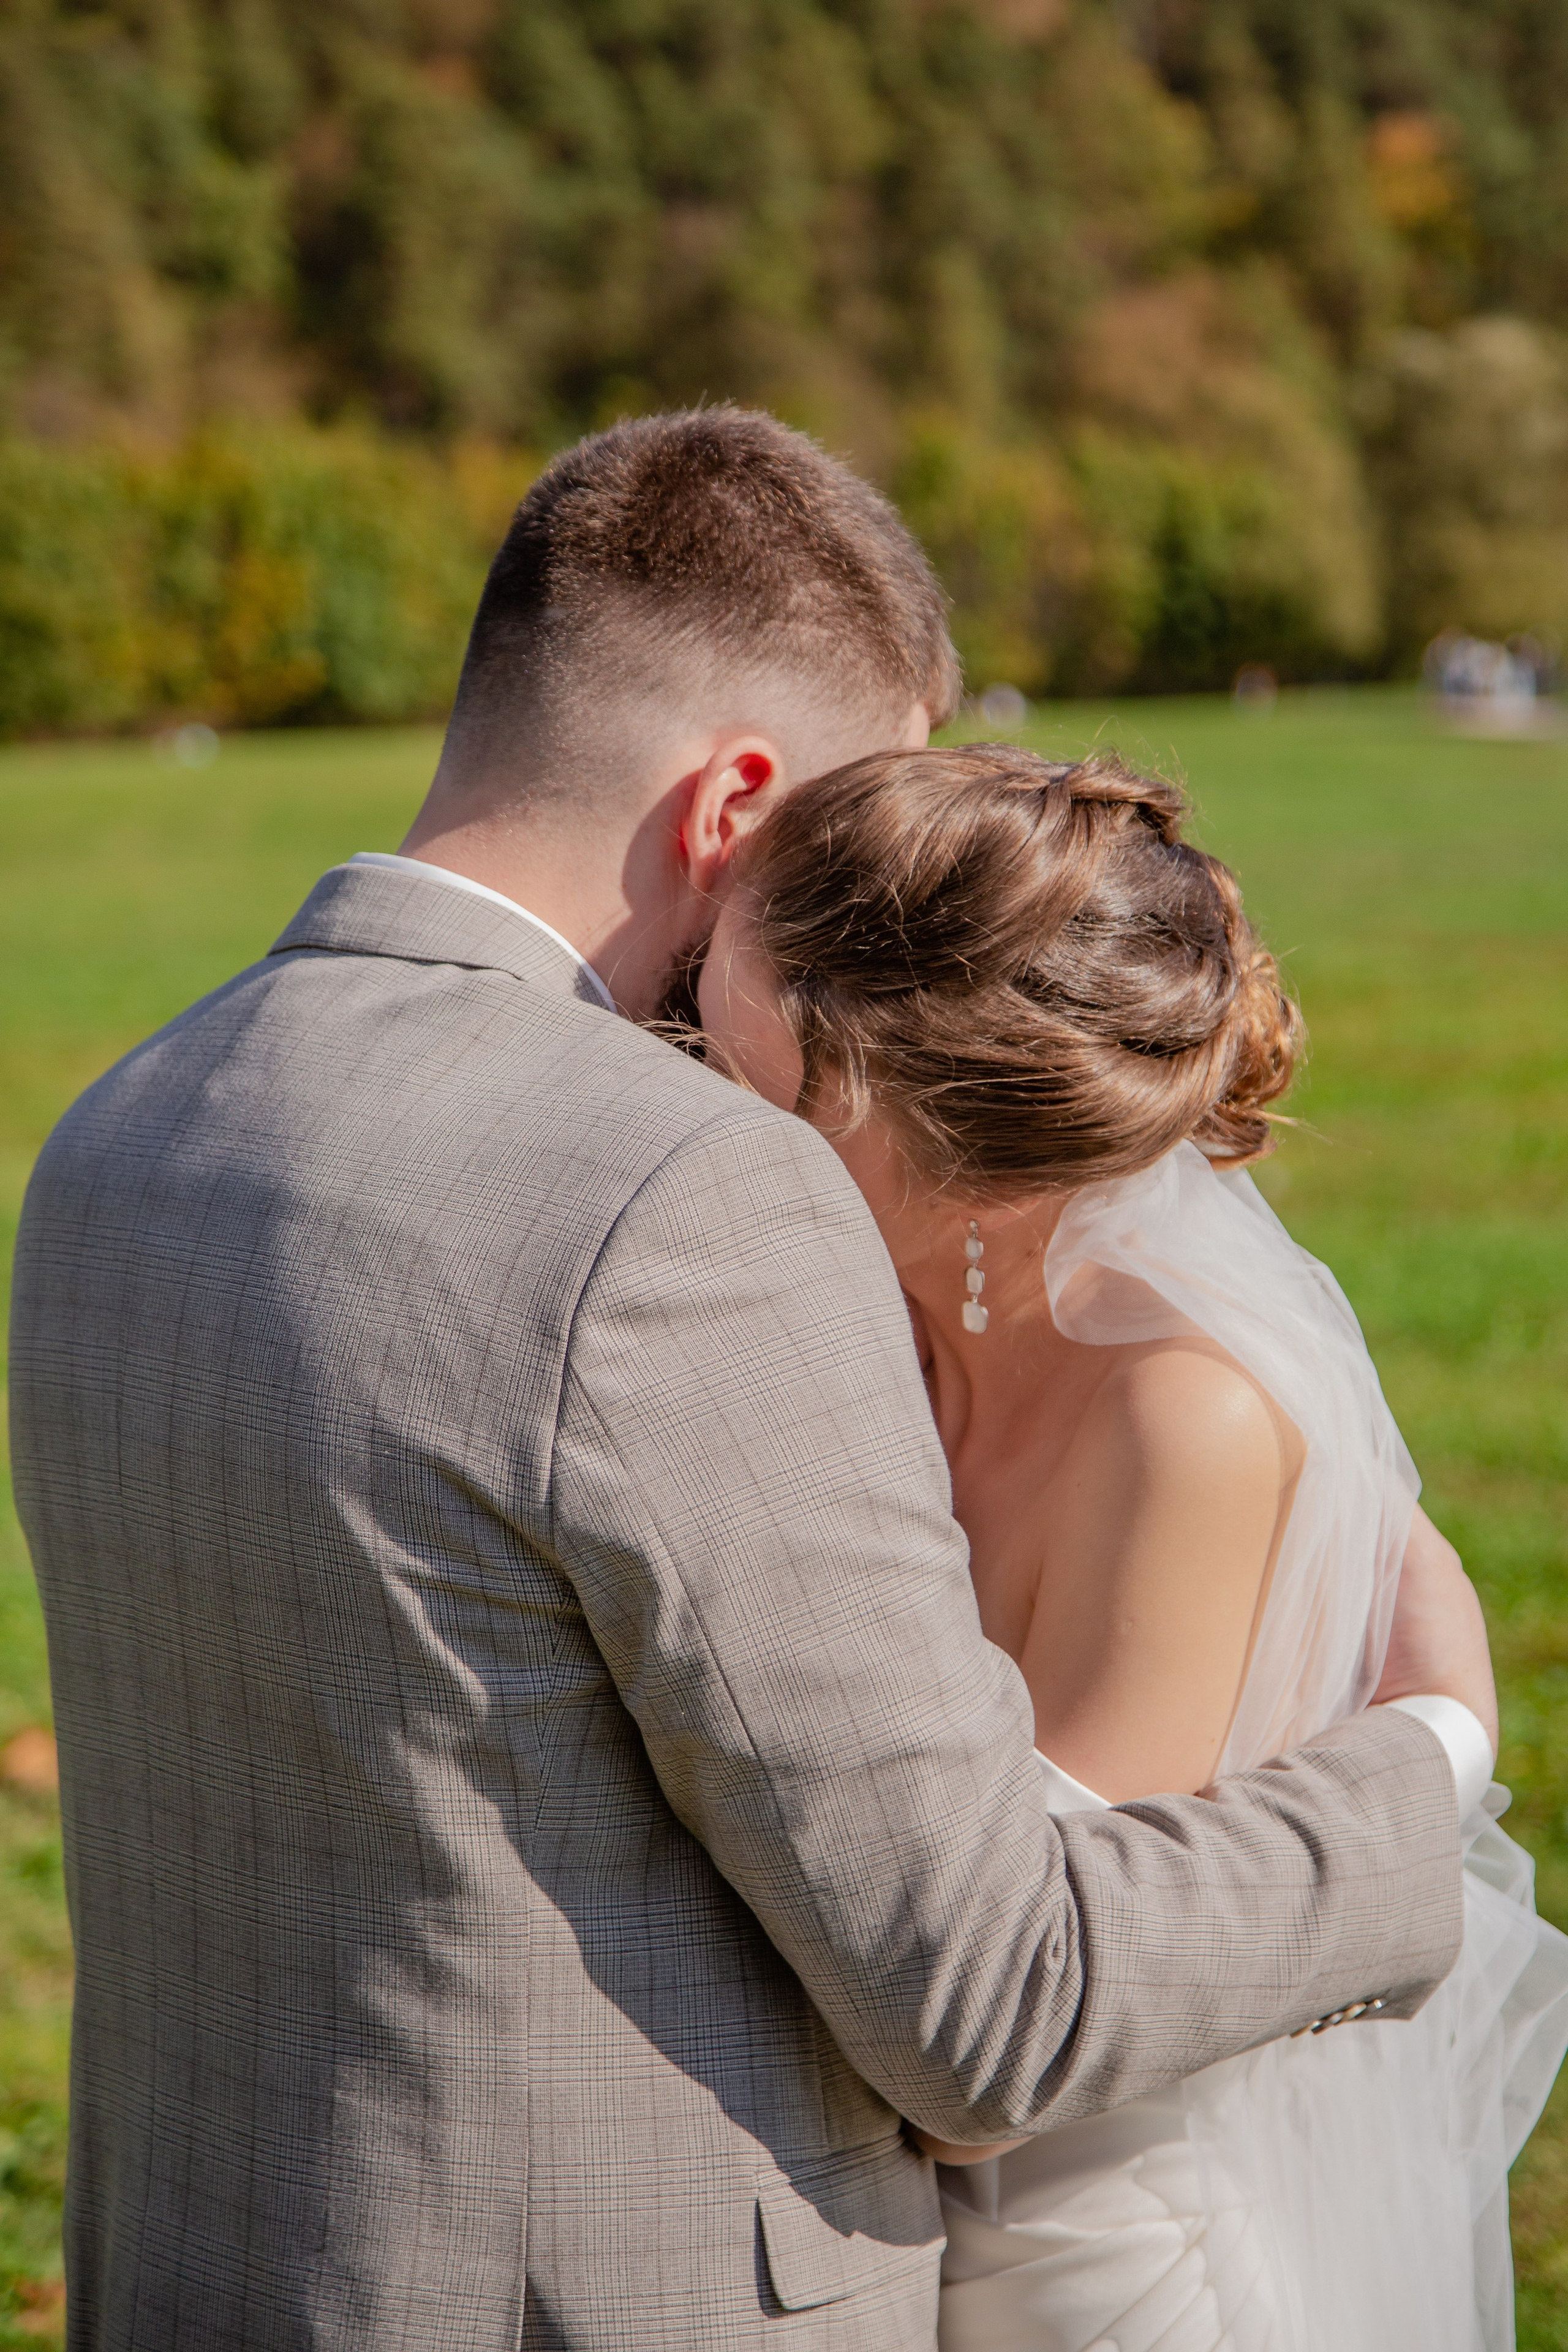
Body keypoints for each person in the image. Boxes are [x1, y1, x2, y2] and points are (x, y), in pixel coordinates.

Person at [9, 408, 1495, 2352]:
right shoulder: (682, 1198)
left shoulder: (117, 1130)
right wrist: (1432, 1755)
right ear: (734, 810)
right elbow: (997, 2005)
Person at [695, 739, 1568, 2351]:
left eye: (740, 1088)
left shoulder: (1182, 1424)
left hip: (1085, 2261)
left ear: (925, 1141)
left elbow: (1026, 2043)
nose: (690, 1117)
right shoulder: (870, 1323)